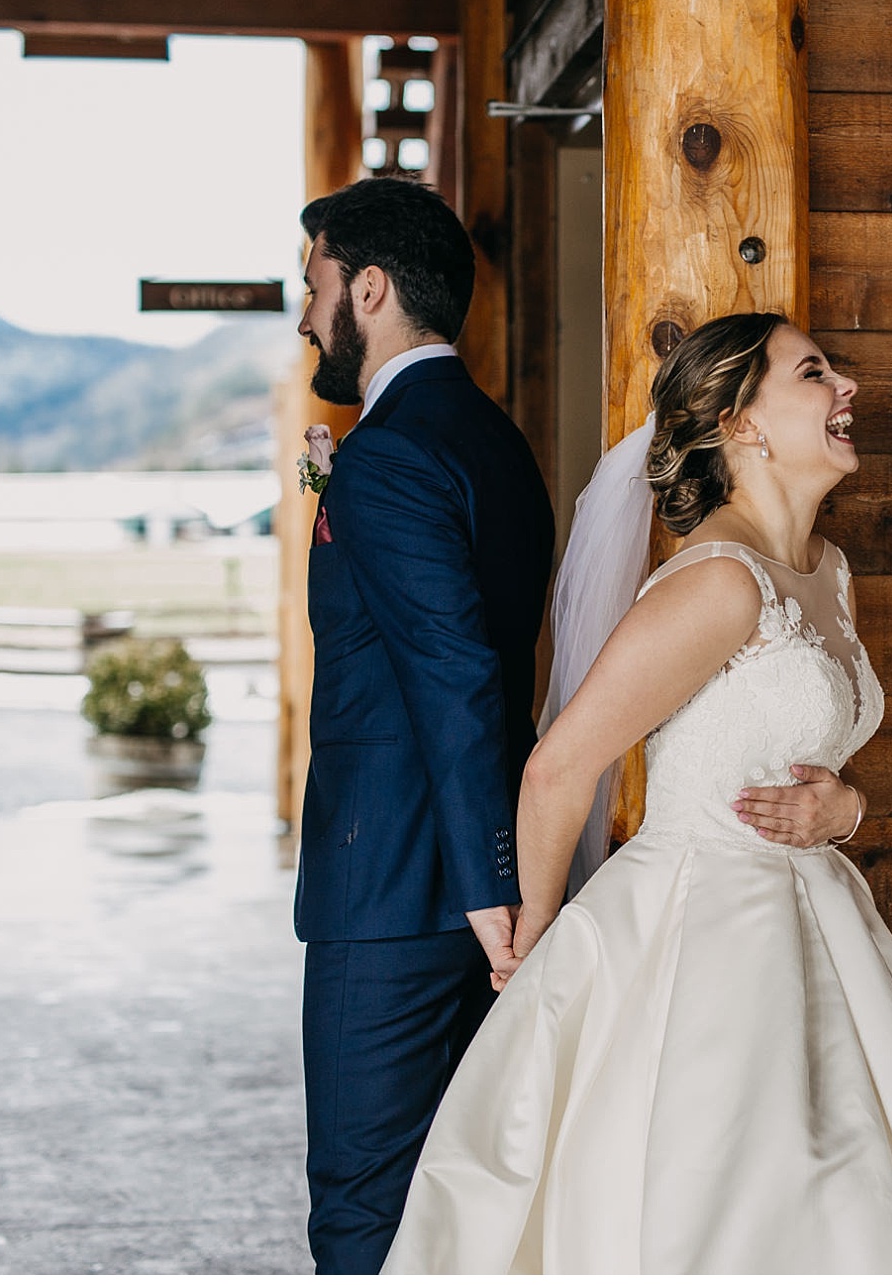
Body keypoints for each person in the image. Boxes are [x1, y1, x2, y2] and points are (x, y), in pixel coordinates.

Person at [382, 312, 892, 1273]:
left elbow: (819, 758)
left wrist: (848, 811)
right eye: (814, 374)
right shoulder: (718, 585)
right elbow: (559, 766)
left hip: (823, 933)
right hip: (703, 934)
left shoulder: (829, 575)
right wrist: (533, 957)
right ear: (741, 423)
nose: (847, 389)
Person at [292, 177, 555, 1273]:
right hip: (461, 879)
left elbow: (453, 675)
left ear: (369, 288)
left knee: (363, 1204)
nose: (302, 315)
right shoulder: (495, 444)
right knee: (458, 1203)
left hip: (397, 886)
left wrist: (490, 881)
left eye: (309, 287)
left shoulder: (392, 453)